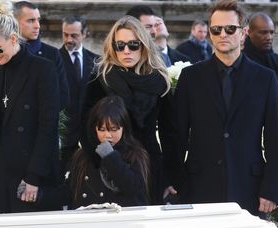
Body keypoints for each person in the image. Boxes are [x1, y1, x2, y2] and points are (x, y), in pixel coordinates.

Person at [174, 0, 278, 218]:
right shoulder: (190, 78)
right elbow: (176, 135)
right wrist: (173, 181)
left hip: (250, 188)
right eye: (216, 29)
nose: (223, 34)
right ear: (210, 34)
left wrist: (271, 189)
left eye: (230, 29)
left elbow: (275, 139)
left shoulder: (265, 78)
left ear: (243, 33)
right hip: (199, 186)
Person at [81, 16, 177, 205]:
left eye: (133, 45)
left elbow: (170, 134)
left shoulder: (158, 81)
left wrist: (170, 176)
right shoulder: (101, 78)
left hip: (149, 164)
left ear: (144, 45)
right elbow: (85, 125)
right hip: (107, 164)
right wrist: (101, 160)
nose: (126, 51)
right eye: (120, 45)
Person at [0, 0, 60, 213]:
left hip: (29, 171)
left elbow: (48, 127)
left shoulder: (43, 69)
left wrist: (33, 177)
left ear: (13, 38)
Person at [39, 96, 150, 209]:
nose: (108, 135)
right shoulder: (83, 156)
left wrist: (110, 156)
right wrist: (38, 195)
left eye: (114, 129)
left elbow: (133, 188)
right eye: (102, 130)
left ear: (123, 128)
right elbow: (69, 192)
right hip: (89, 221)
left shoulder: (135, 155)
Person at [59, 15, 99, 172]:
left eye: (74, 35)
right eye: (65, 34)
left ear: (84, 34)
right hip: (63, 138)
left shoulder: (97, 61)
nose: (69, 39)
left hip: (90, 138)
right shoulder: (53, 60)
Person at [13, 1, 69, 111]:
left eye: (38, 20)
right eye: (31, 21)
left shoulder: (52, 54)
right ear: (14, 22)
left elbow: (63, 97)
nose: (37, 26)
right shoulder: (3, 53)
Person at [243, 12, 278, 107]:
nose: (269, 37)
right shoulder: (240, 62)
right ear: (249, 33)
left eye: (271, 32)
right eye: (263, 32)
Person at [126, 5, 191, 67]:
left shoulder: (167, 58)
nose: (154, 30)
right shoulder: (126, 58)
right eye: (148, 26)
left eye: (158, 23)